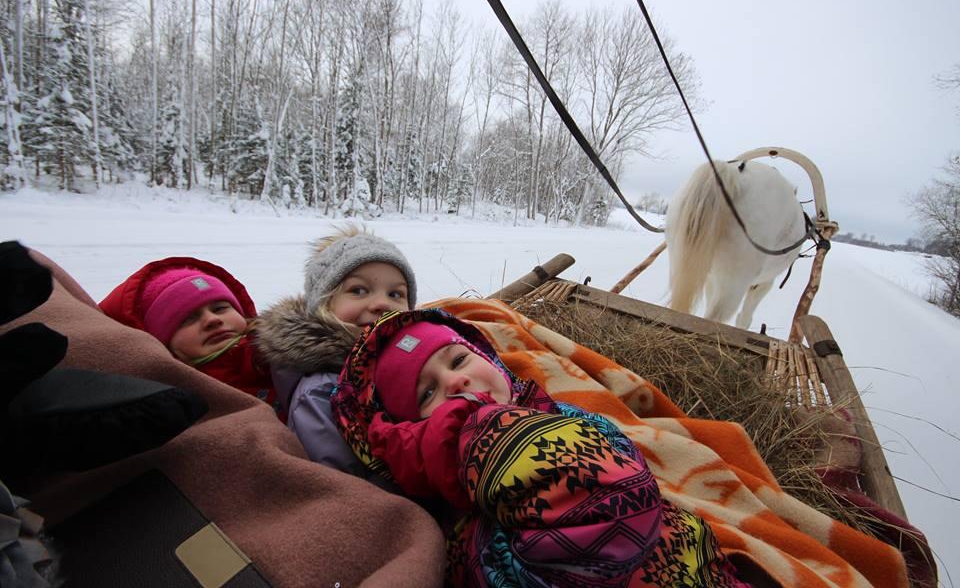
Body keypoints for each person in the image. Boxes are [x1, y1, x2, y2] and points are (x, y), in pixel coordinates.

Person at [331, 308, 753, 587]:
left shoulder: (557, 411)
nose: (455, 382)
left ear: (490, 360)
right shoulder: (457, 514)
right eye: (427, 394)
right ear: (411, 441)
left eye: (458, 361)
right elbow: (610, 506)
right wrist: (472, 426)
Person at [255, 224, 416, 479]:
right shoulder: (320, 394)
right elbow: (342, 486)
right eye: (358, 290)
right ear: (324, 304)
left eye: (395, 293)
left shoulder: (412, 362)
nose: (383, 303)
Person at [100, 257, 278, 414]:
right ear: (162, 341)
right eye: (188, 318)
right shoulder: (165, 405)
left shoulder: (286, 362)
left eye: (220, 308)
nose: (212, 320)